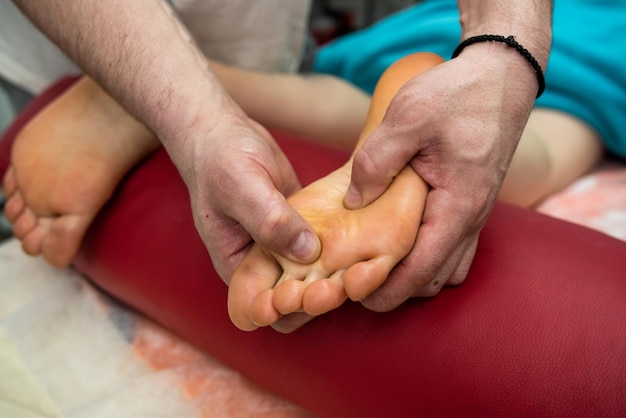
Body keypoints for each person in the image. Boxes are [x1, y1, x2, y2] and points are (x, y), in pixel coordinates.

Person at [2, 47, 603, 332]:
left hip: (415, 36)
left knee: (320, 100)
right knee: (545, 149)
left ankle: (133, 97)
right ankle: (425, 136)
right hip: (584, 79)